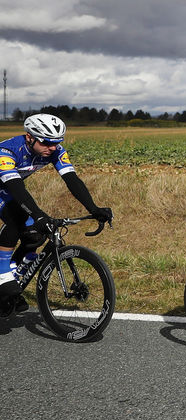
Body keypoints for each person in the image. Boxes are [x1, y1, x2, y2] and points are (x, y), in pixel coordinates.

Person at [0, 114, 113, 316]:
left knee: (37, 234)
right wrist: (38, 214)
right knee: (17, 216)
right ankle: (2, 272)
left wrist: (94, 209)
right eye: (46, 142)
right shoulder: (7, 151)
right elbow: (16, 189)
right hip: (8, 188)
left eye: (56, 143)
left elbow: (72, 180)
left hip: (7, 191)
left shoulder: (54, 151)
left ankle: (11, 278)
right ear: (29, 137)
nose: (52, 148)